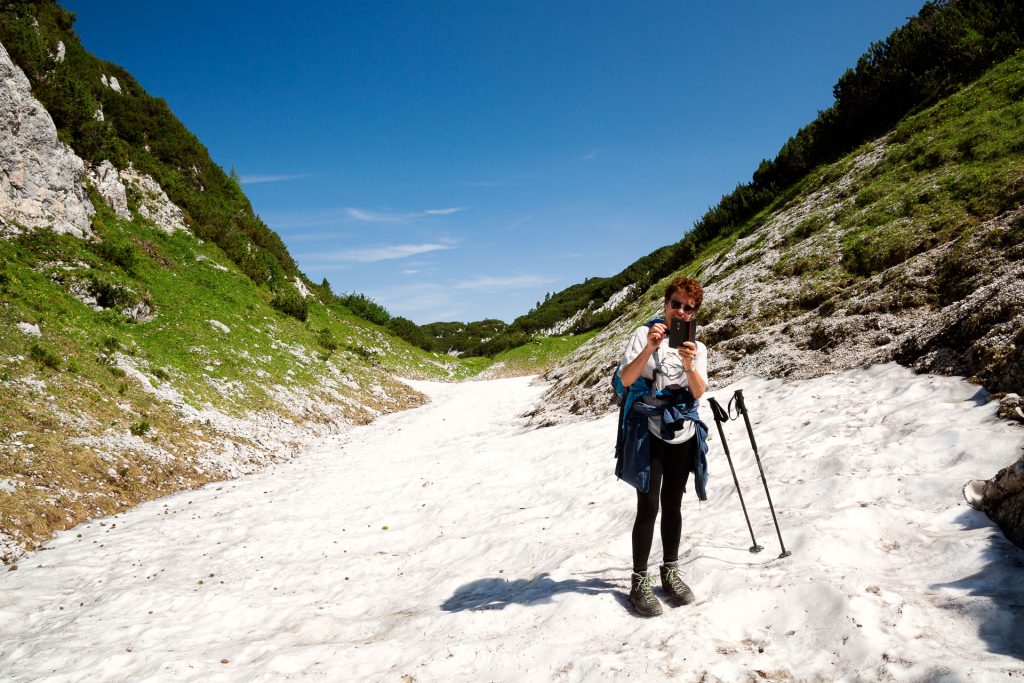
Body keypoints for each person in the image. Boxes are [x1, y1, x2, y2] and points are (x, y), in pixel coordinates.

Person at [616, 276, 709, 617]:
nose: (682, 312)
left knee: (673, 505)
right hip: (650, 431)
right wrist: (651, 348)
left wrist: (689, 365)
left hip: (683, 432)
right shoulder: (644, 334)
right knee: (648, 506)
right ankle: (638, 580)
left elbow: (698, 391)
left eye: (689, 307)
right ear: (666, 303)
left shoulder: (698, 348)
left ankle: (670, 571)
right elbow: (626, 380)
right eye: (677, 304)